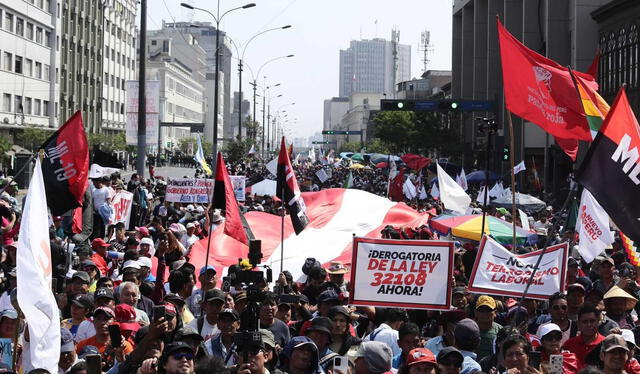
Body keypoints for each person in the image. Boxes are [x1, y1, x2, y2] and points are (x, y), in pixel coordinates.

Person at [473, 295, 502, 361]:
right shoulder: (469, 329)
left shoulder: (500, 331)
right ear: (475, 312)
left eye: (488, 310)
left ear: (495, 313)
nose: (485, 313)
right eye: (481, 310)